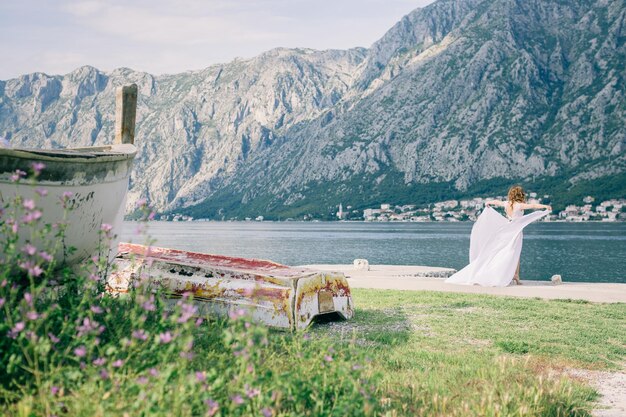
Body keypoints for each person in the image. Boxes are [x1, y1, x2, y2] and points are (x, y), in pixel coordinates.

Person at [445, 186, 551, 287]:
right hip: (515, 232)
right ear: (520, 195)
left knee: (505, 252)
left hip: (507, 230)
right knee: (514, 253)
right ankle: (512, 276)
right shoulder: (519, 205)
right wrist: (544, 207)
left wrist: (488, 202)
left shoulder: (506, 204)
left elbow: (496, 202)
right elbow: (532, 206)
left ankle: (514, 275)